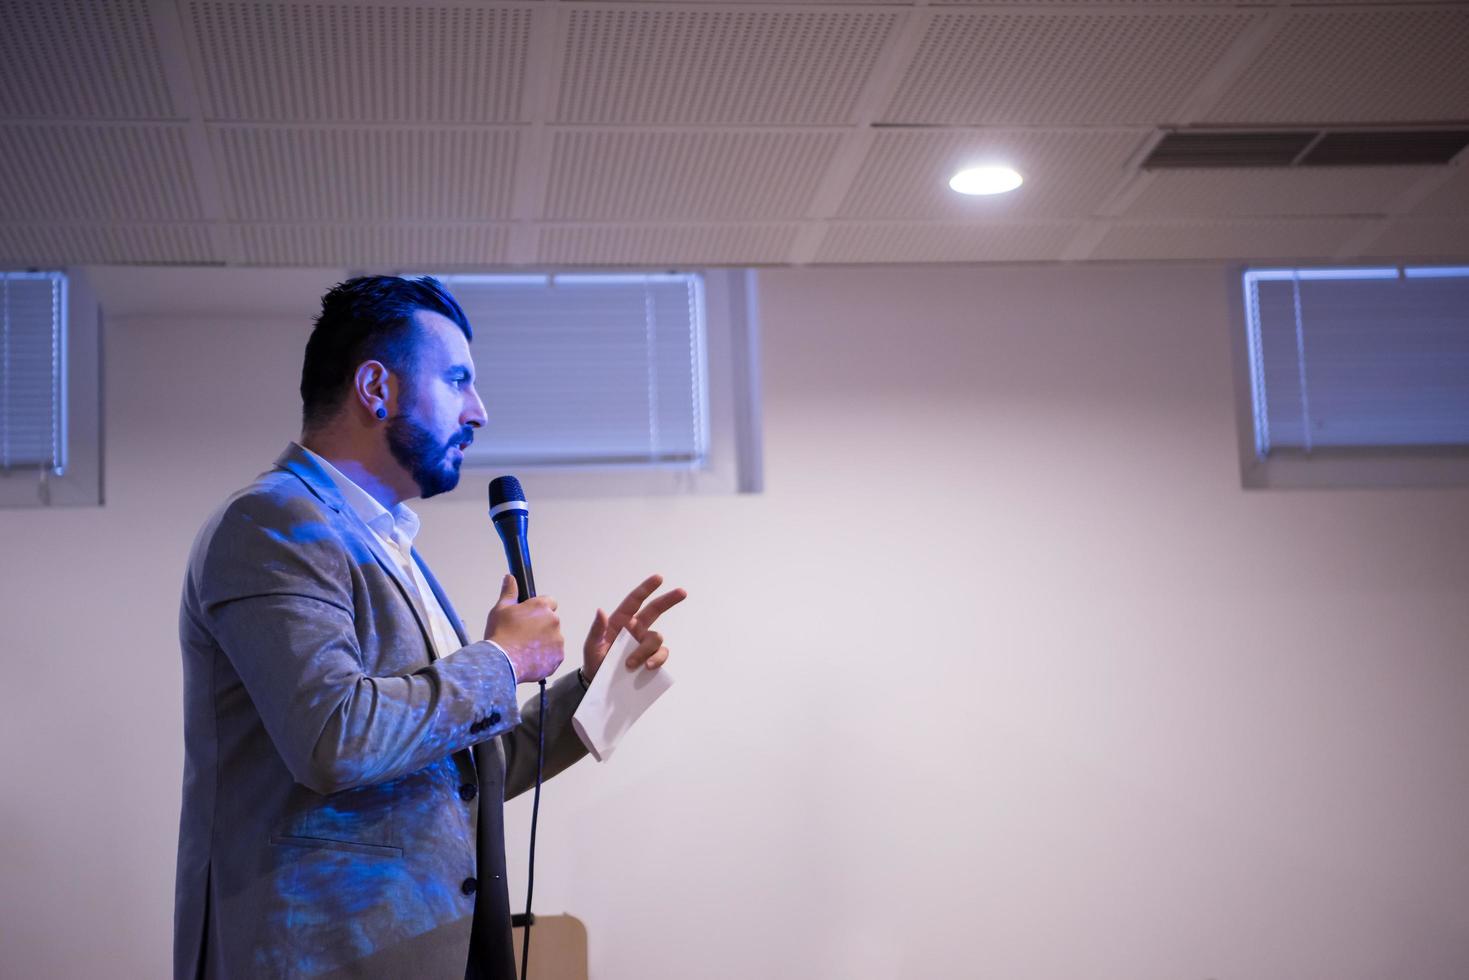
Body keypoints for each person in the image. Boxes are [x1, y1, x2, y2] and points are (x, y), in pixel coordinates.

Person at [174, 275, 685, 979]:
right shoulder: (273, 523)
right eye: (456, 380)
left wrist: (593, 687)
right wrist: (500, 661)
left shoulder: (390, 547)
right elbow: (332, 737)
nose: (478, 411)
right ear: (376, 388)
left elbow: (459, 777)